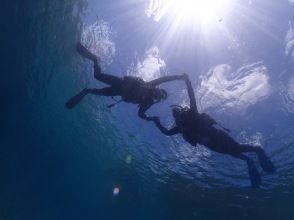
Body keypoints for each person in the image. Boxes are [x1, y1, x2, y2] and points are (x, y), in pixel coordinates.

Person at [150, 74, 276, 188]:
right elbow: (166, 132)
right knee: (231, 152)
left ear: (182, 110)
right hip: (212, 146)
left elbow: (191, 95)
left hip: (218, 137)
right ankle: (249, 161)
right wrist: (156, 122)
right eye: (175, 115)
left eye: (177, 111)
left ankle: (257, 149)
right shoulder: (180, 128)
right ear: (175, 118)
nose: (177, 115)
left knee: (236, 148)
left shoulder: (192, 113)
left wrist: (187, 81)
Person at [66, 43, 186, 119]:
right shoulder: (151, 85)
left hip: (117, 92)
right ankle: (94, 58)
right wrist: (179, 77)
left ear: (159, 99)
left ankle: (85, 92)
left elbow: (140, 114)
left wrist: (149, 118)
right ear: (158, 89)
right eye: (160, 92)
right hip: (120, 83)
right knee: (97, 76)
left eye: (160, 96)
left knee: (94, 91)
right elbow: (164, 78)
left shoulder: (148, 103)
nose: (158, 94)